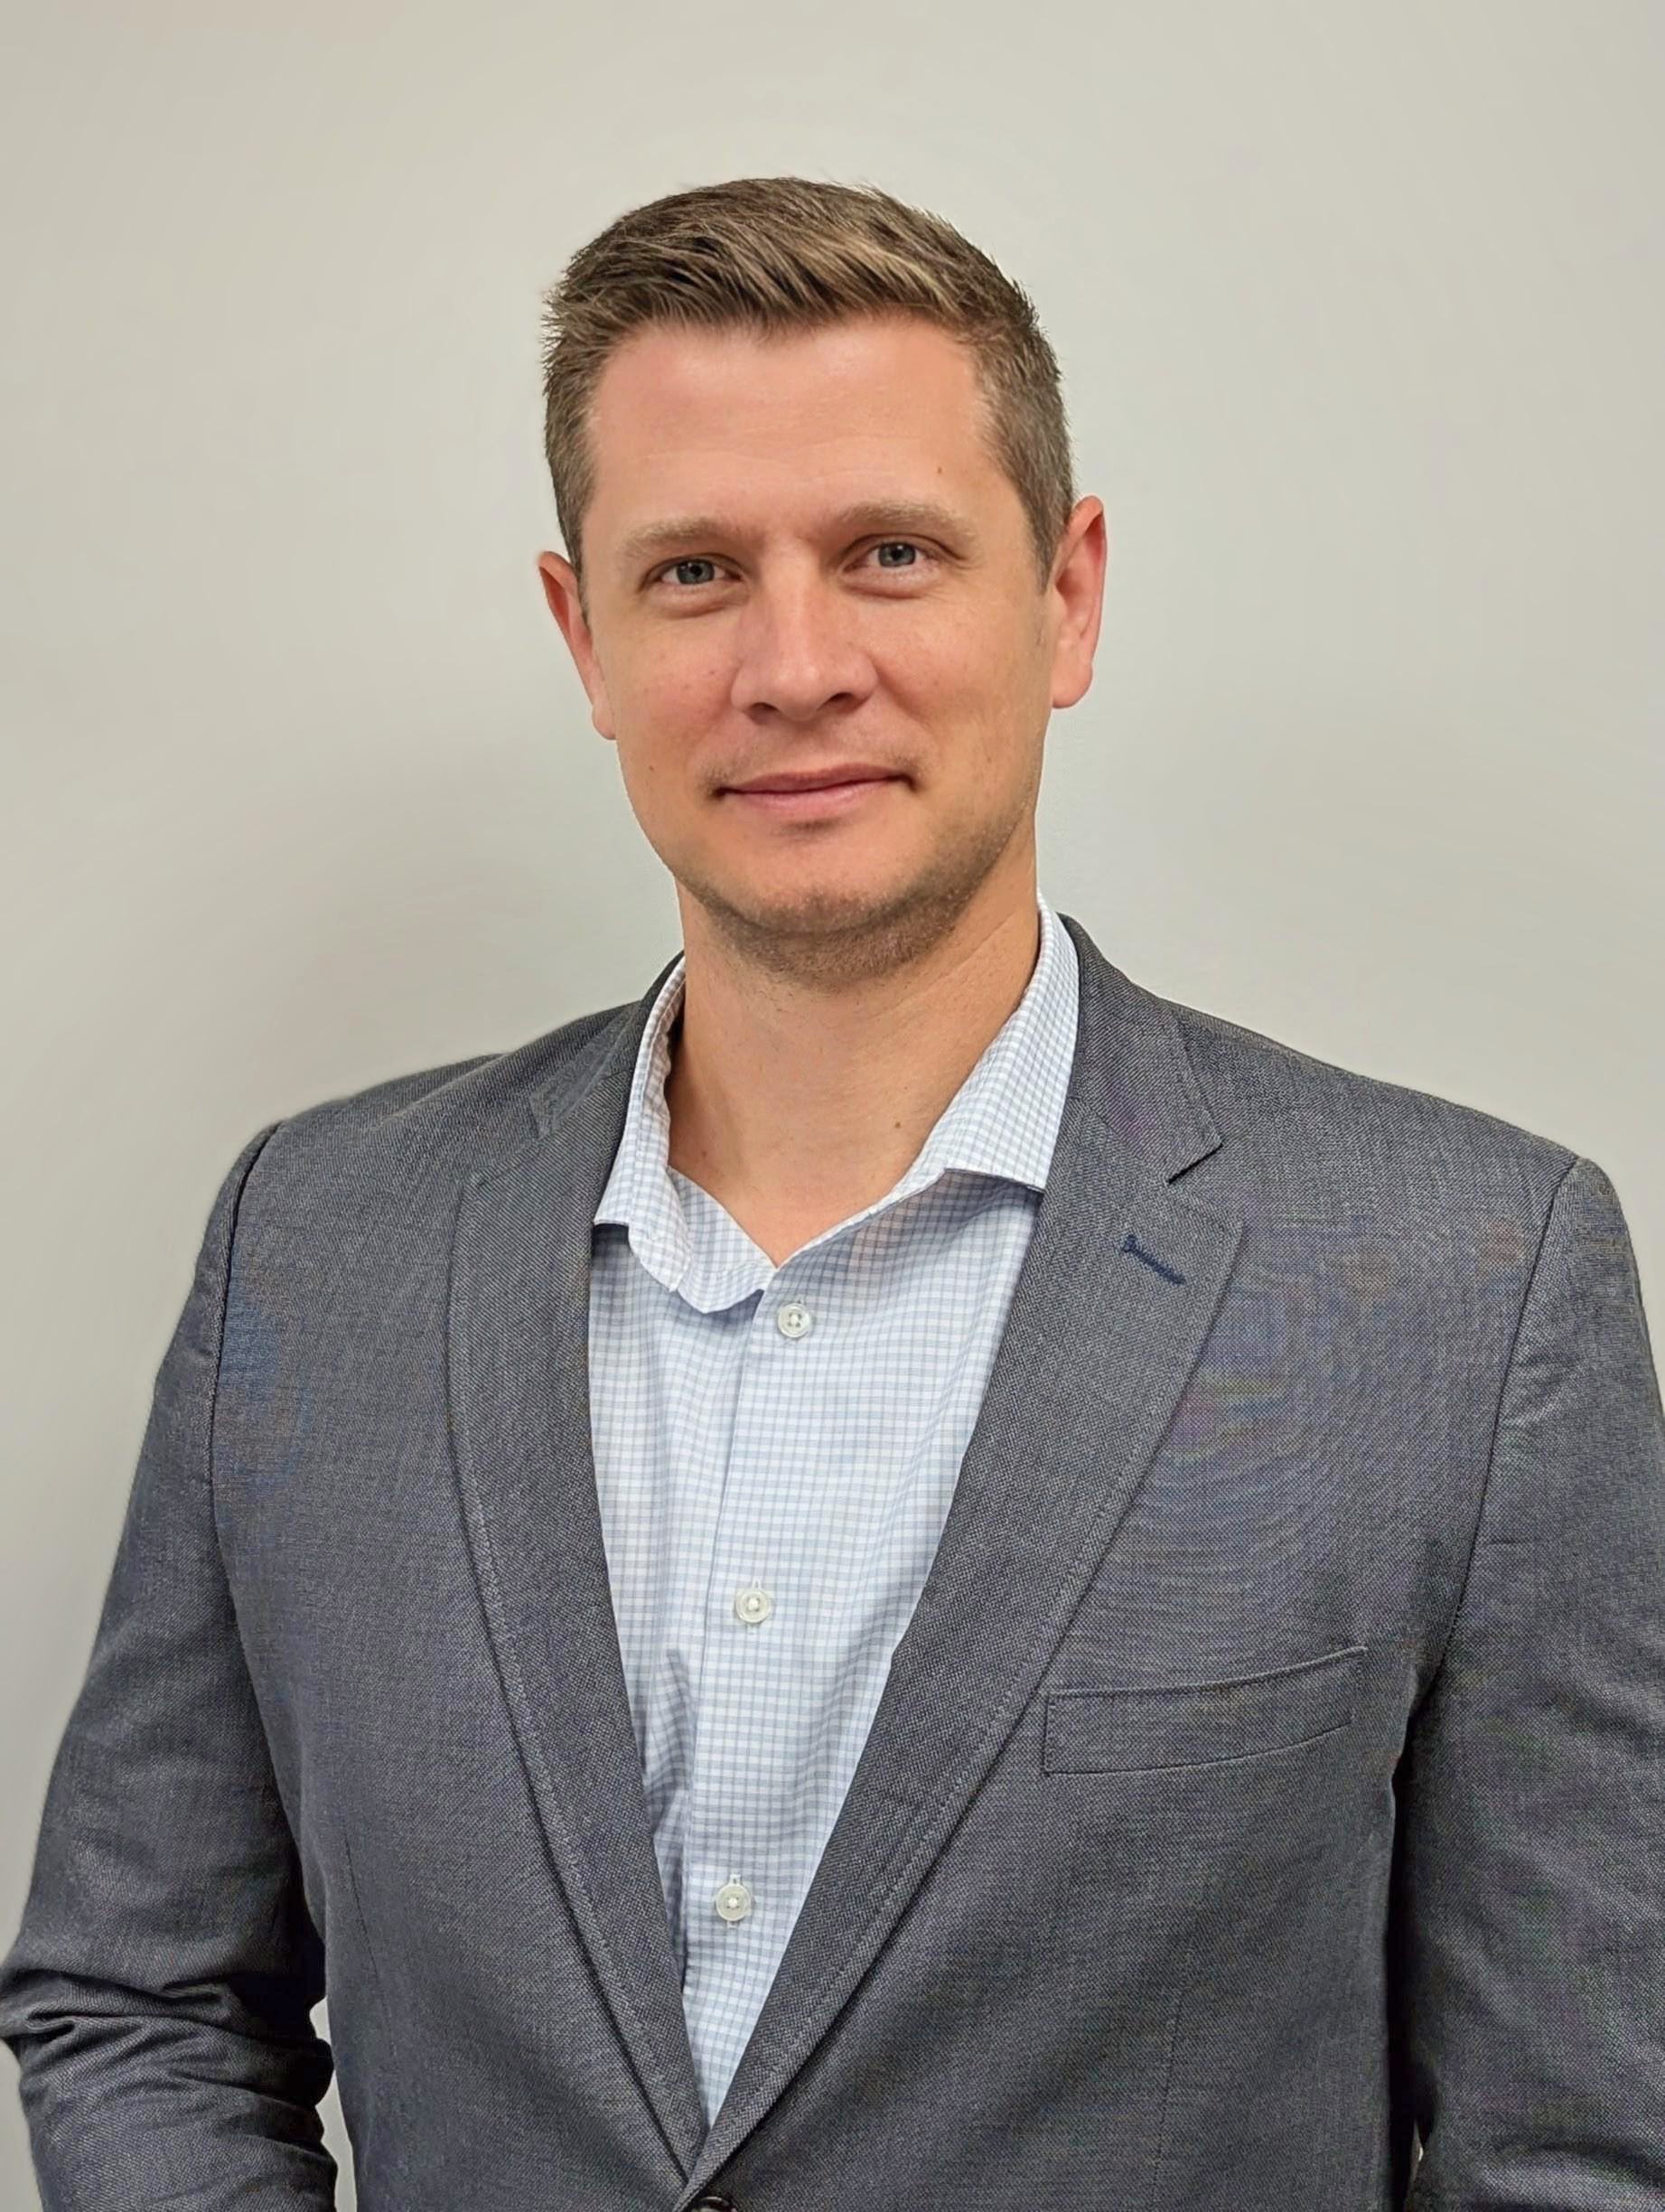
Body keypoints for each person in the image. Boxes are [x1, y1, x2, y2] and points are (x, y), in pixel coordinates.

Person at [2, 173, 1661, 2212]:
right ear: (585, 635)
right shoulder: (318, 1244)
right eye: (696, 571)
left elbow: (1582, 2142)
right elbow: (139, 1998)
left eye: (889, 553)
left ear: (1066, 598)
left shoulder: (1467, 1286)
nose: (795, 667)